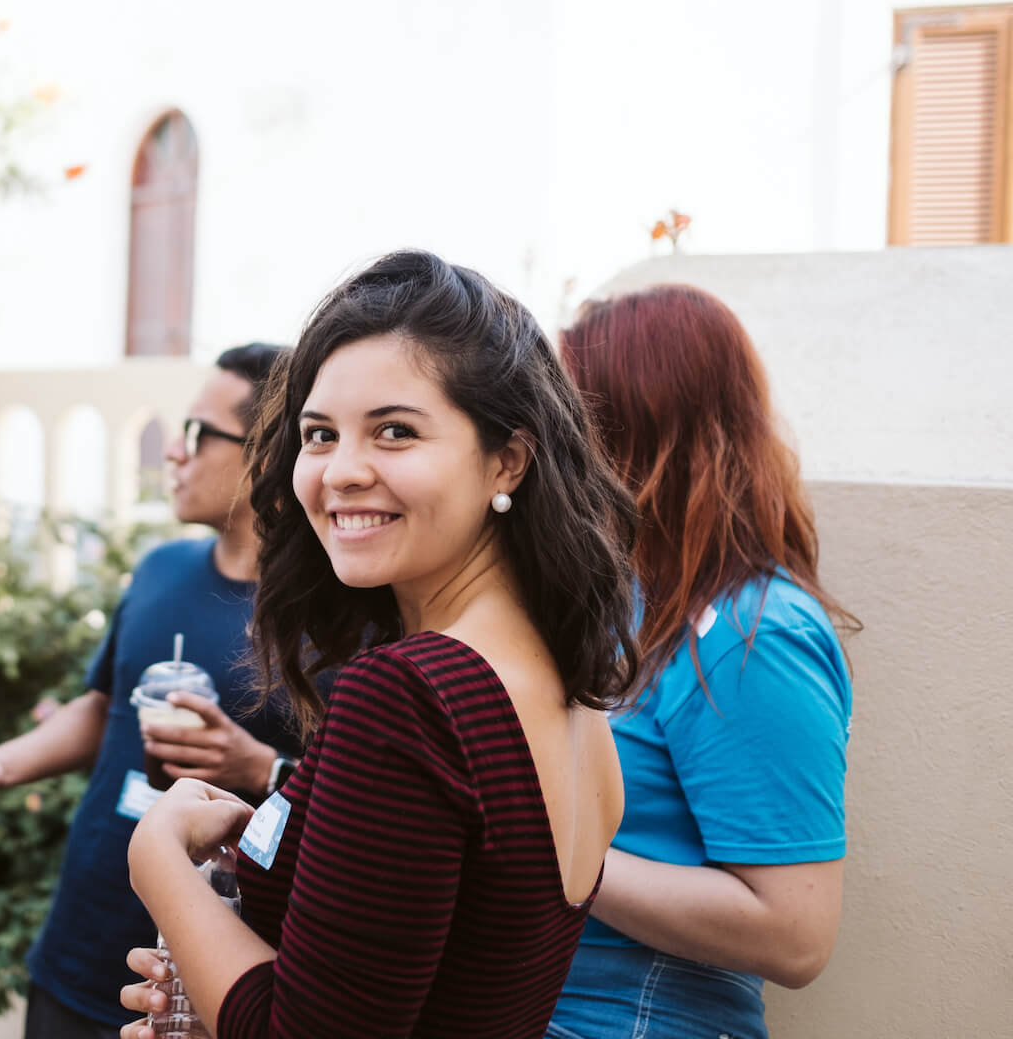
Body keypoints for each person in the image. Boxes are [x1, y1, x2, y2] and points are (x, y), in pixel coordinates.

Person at [117, 249, 641, 1037]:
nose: (341, 471)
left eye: (395, 432)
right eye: (319, 434)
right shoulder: (567, 691)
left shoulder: (408, 694)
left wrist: (158, 858)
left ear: (508, 459)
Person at [0, 344, 306, 1039]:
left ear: (265, 455)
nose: (174, 454)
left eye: (195, 434)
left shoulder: (326, 620)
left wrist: (255, 767)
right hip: (78, 950)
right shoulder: (161, 568)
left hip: (198, 988)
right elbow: (102, 709)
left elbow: (352, 797)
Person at [545, 285, 854, 1039]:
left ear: (636, 426)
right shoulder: (625, 604)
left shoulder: (756, 636)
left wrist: (554, 855)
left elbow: (795, 934)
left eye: (564, 412)